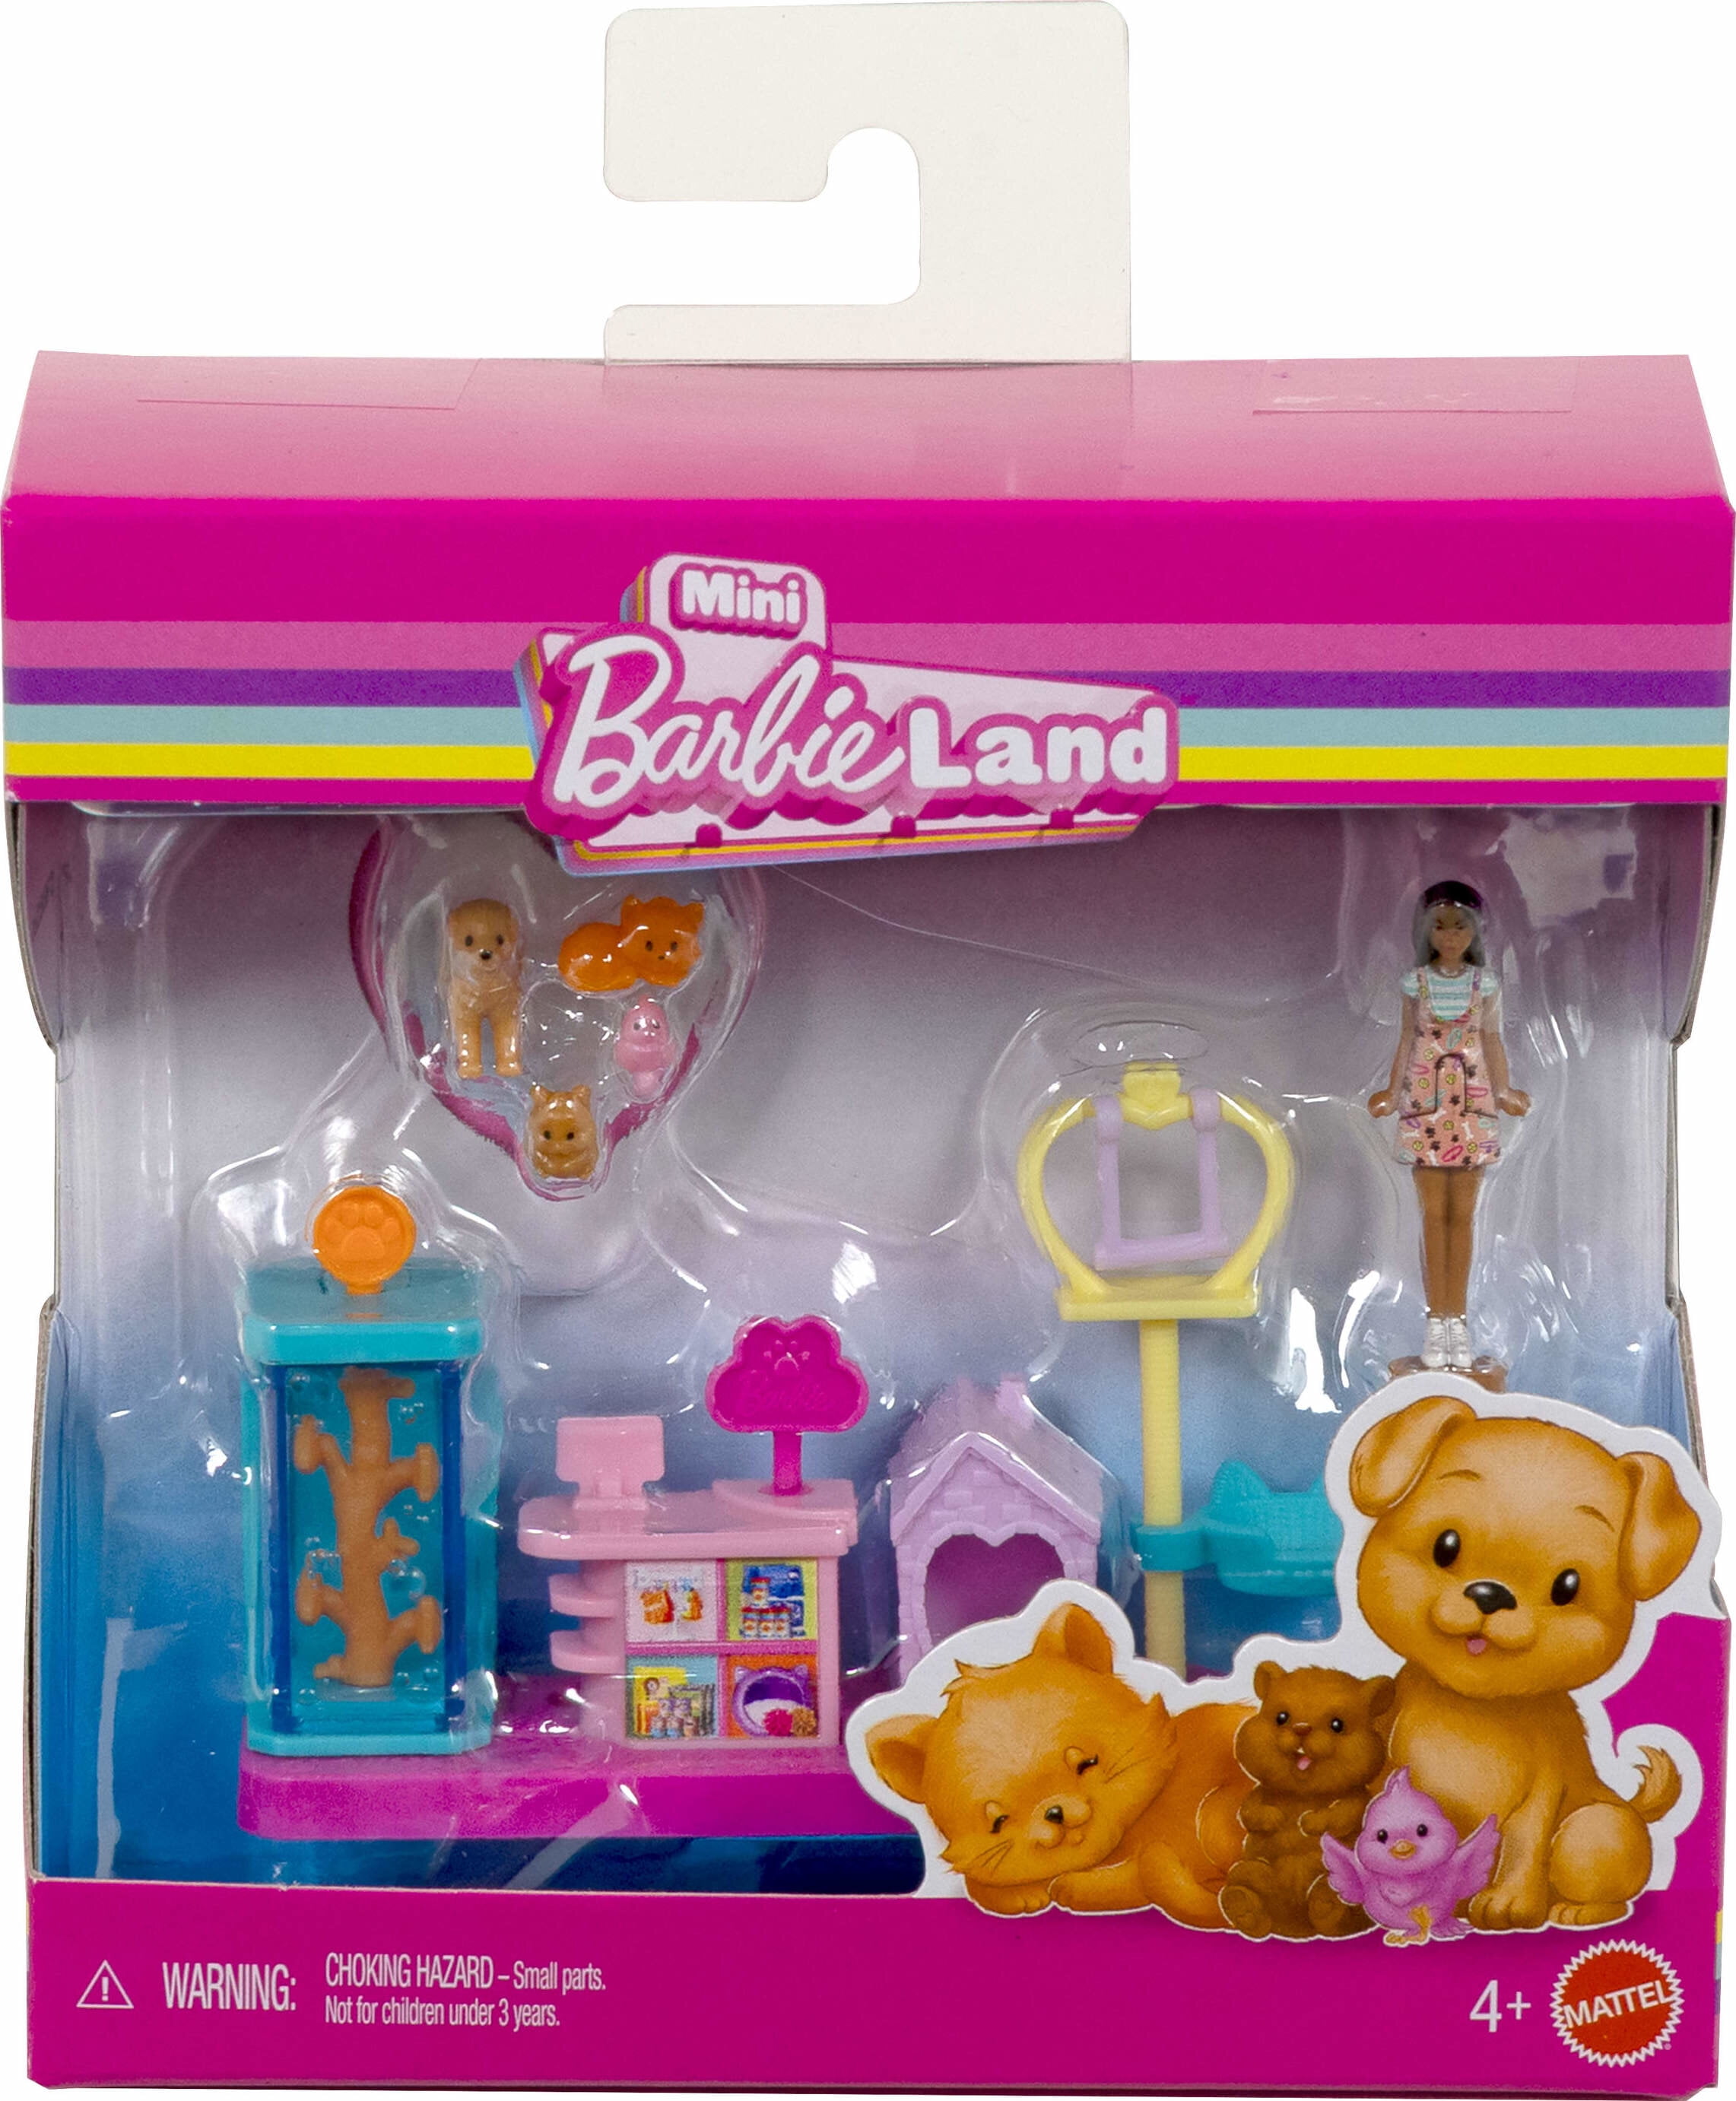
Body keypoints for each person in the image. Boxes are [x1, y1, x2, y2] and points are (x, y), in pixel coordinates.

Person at [1368, 879, 1529, 1370]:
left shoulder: (1485, 985)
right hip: (1425, 1102)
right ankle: (1434, 1322)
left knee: (1463, 1216)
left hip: (1473, 1103)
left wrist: (1504, 1091)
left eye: (1460, 927)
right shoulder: (1414, 983)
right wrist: (1390, 1091)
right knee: (1432, 1215)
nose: (1451, 935)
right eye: (1440, 927)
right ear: (1427, 932)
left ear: (1475, 932)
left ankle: (1457, 1320)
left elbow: (1493, 1039)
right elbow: (1405, 1039)